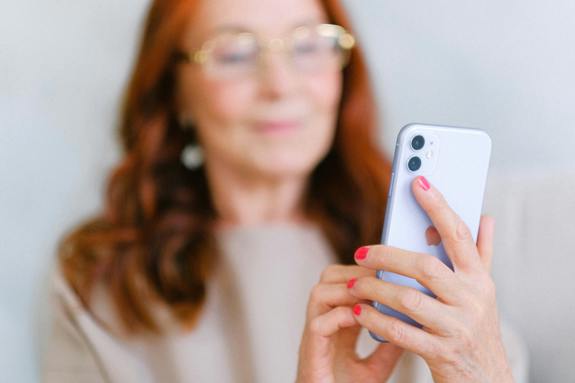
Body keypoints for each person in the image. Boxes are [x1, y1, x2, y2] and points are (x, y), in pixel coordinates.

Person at [42, 0, 524, 381]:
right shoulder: (99, 279)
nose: (280, 84)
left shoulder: (429, 255)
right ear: (174, 93)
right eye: (234, 52)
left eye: (310, 46)